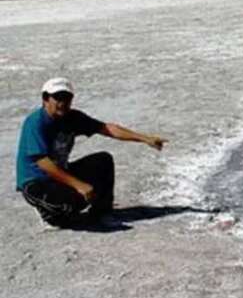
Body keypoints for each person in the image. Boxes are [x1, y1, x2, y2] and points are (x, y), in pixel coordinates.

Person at [15, 77, 167, 227]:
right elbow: (43, 163)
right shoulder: (35, 123)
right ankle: (48, 213)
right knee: (69, 207)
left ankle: (102, 210)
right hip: (37, 182)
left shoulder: (73, 117)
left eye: (67, 98)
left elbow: (106, 128)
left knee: (103, 160)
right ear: (45, 99)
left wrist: (144, 138)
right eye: (57, 98)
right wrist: (79, 185)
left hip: (60, 174)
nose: (63, 103)